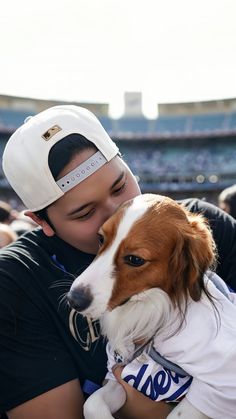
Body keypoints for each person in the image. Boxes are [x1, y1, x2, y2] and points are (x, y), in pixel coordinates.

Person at [0, 105, 236, 419]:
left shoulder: (200, 229)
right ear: (41, 221)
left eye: (120, 185)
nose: (116, 212)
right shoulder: (15, 280)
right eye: (84, 213)